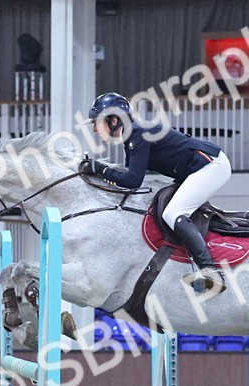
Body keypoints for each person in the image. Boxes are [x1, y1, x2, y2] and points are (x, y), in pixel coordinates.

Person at [80, 92, 231, 296]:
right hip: (194, 169)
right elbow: (130, 180)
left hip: (211, 165)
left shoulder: (137, 135)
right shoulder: (132, 136)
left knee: (173, 213)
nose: (95, 130)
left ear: (114, 120)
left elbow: (132, 181)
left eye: (97, 123)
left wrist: (99, 169)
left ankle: (210, 271)